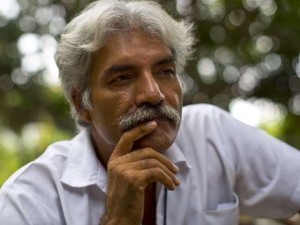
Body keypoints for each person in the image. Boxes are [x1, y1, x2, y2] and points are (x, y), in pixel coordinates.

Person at [0, 0, 300, 224]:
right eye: (123, 78)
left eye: (165, 71)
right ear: (82, 105)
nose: (154, 94)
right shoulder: (29, 201)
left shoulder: (213, 136)